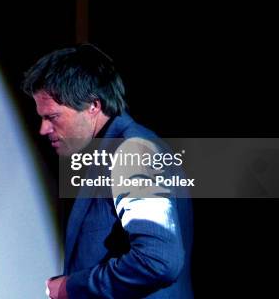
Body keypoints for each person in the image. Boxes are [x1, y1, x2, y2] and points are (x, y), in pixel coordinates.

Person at [23, 44, 193, 298]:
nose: (43, 129)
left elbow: (159, 261)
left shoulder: (133, 152)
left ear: (93, 105)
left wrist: (71, 287)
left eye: (53, 117)